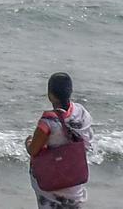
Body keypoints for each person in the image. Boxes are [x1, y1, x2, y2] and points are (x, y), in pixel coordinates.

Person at [26, 72, 93, 209]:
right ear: (70, 91)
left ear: (50, 95)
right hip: (74, 178)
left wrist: (27, 142)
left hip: (53, 182)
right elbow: (88, 141)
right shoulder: (81, 112)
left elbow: (34, 150)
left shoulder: (48, 122)